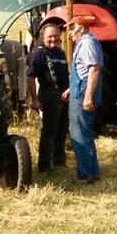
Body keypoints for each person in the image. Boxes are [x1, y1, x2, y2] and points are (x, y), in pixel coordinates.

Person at [26, 17, 70, 174]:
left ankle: (58, 162)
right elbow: (30, 77)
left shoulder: (61, 53)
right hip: (49, 95)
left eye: (56, 36)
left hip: (64, 96)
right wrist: (34, 100)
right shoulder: (40, 54)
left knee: (62, 130)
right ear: (43, 38)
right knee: (49, 132)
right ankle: (44, 166)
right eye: (50, 37)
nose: (53, 39)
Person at [67, 16, 104, 183]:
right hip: (80, 89)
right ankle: (93, 171)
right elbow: (83, 70)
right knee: (85, 132)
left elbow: (94, 69)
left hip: (83, 93)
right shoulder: (84, 43)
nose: (69, 33)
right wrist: (71, 88)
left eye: (72, 28)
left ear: (80, 28)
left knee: (79, 134)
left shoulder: (87, 43)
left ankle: (85, 174)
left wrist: (87, 97)